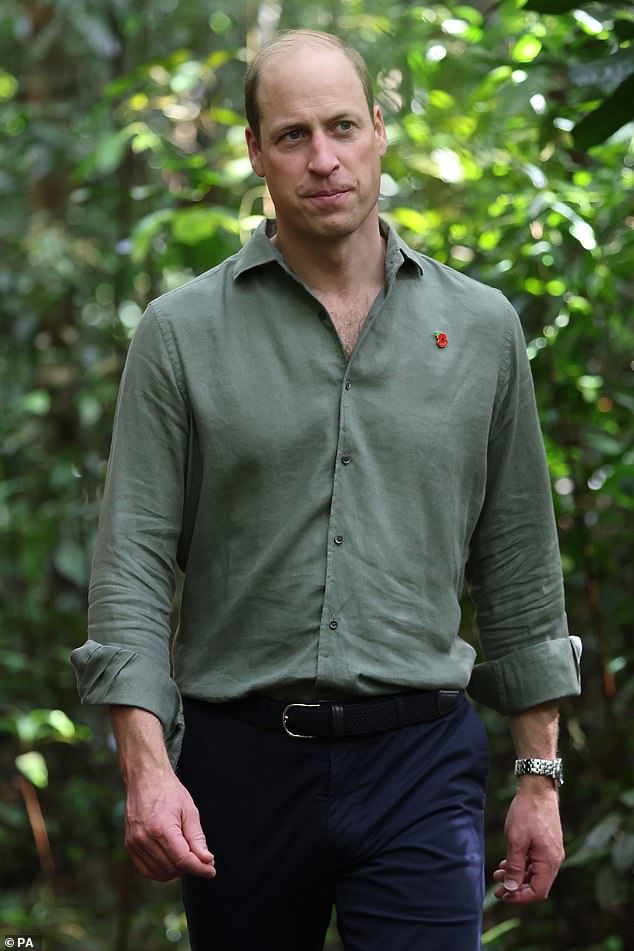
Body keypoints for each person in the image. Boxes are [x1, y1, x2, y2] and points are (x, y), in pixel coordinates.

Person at [71, 29, 582, 951]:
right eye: (294, 135)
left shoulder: (480, 327)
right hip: (241, 766)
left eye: (343, 126)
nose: (324, 159)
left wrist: (538, 774)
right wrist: (146, 767)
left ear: (381, 129)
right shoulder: (179, 334)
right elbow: (134, 561)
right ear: (256, 152)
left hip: (422, 762)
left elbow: (518, 563)